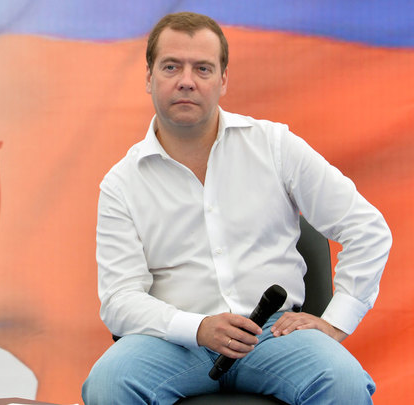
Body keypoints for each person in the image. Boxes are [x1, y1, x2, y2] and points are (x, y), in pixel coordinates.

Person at [82, 11, 392, 405]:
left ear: (223, 80)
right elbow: (120, 300)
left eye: (203, 68)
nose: (187, 80)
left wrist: (335, 323)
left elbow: (367, 229)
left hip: (273, 335)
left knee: (343, 381)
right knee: (108, 384)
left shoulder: (274, 146)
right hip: (174, 341)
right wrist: (198, 328)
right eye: (171, 66)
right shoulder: (121, 183)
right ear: (149, 77)